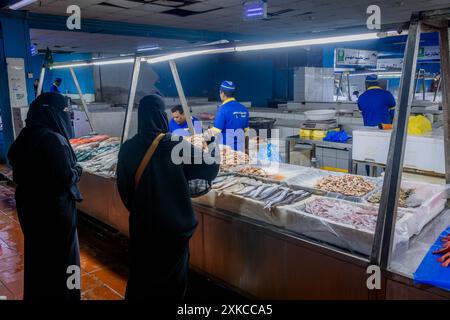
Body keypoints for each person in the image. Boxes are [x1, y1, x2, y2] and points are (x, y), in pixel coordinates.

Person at [116, 94, 219, 300]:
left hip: (142, 228)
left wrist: (141, 209)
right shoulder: (173, 144)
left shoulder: (127, 148)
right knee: (172, 284)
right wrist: (212, 144)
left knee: (141, 279)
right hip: (173, 230)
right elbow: (210, 167)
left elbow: (123, 189)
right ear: (162, 116)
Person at [7, 92, 83, 300]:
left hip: (30, 208)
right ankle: (67, 296)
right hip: (55, 212)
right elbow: (65, 176)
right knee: (66, 260)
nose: (67, 117)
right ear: (52, 113)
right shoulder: (53, 139)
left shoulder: (26, 136)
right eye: (64, 111)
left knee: (39, 257)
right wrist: (78, 170)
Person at [209, 81, 249, 151]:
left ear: (223, 93)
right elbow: (247, 132)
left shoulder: (223, 108)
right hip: (240, 149)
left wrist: (203, 137)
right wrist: (246, 148)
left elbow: (216, 131)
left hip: (226, 150)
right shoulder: (244, 109)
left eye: (220, 92)